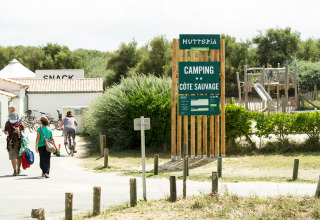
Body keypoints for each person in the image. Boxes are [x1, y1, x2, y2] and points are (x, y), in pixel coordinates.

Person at [4, 106, 25, 176]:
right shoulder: (19, 120)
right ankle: (19, 170)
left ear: (10, 111)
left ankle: (15, 171)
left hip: (10, 141)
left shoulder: (8, 121)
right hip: (19, 140)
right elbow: (23, 129)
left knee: (12, 156)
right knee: (19, 156)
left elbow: (5, 132)